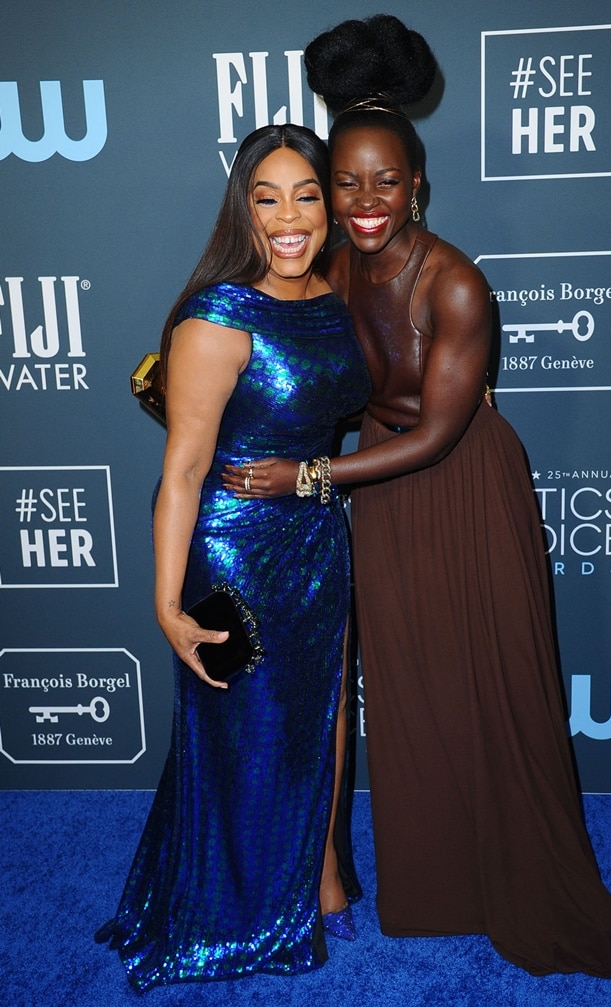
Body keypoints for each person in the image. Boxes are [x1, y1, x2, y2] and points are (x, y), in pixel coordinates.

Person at [222, 16, 611, 979]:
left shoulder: (456, 284)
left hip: (460, 488)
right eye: (347, 181)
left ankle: (516, 872)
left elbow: (441, 431)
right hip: (382, 490)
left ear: (419, 183)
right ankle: (435, 886)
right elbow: (268, 348)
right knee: (412, 691)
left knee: (491, 684)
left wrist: (308, 477)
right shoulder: (325, 269)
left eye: (386, 181)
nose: (365, 200)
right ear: (327, 192)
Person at [95, 124, 369, 991]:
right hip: (234, 551)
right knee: (245, 731)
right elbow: (179, 470)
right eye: (267, 198)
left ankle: (321, 869)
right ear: (242, 210)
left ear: (328, 204)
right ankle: (234, 903)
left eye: (307, 195)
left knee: (324, 708)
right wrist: (167, 601)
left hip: (316, 535)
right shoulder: (216, 319)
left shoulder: (335, 295)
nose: (289, 217)